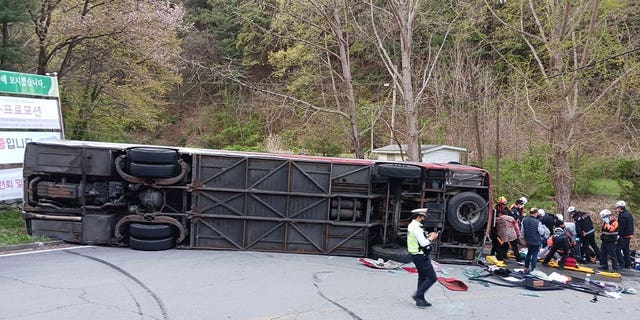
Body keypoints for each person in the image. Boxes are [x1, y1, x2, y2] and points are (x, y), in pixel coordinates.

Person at [407, 209, 439, 308]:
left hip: (415, 255)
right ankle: (417, 295)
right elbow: (424, 244)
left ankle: (420, 299)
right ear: (419, 217)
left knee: (422, 277)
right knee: (432, 277)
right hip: (421, 256)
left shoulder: (412, 226)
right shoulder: (417, 228)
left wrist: (426, 236)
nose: (424, 219)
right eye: (423, 217)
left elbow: (417, 239)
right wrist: (432, 237)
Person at [521, 208, 545, 273]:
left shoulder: (524, 220)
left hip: (528, 240)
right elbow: (541, 232)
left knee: (529, 253)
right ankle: (533, 269)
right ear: (535, 213)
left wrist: (523, 239)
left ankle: (526, 267)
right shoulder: (538, 222)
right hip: (536, 240)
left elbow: (522, 231)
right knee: (535, 254)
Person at [614, 201, 635, 269]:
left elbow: (621, 227)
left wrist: (618, 235)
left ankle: (621, 263)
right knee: (626, 250)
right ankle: (628, 264)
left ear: (620, 208)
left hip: (624, 235)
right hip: (629, 234)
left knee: (617, 249)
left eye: (617, 208)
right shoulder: (628, 214)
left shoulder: (622, 216)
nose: (617, 209)